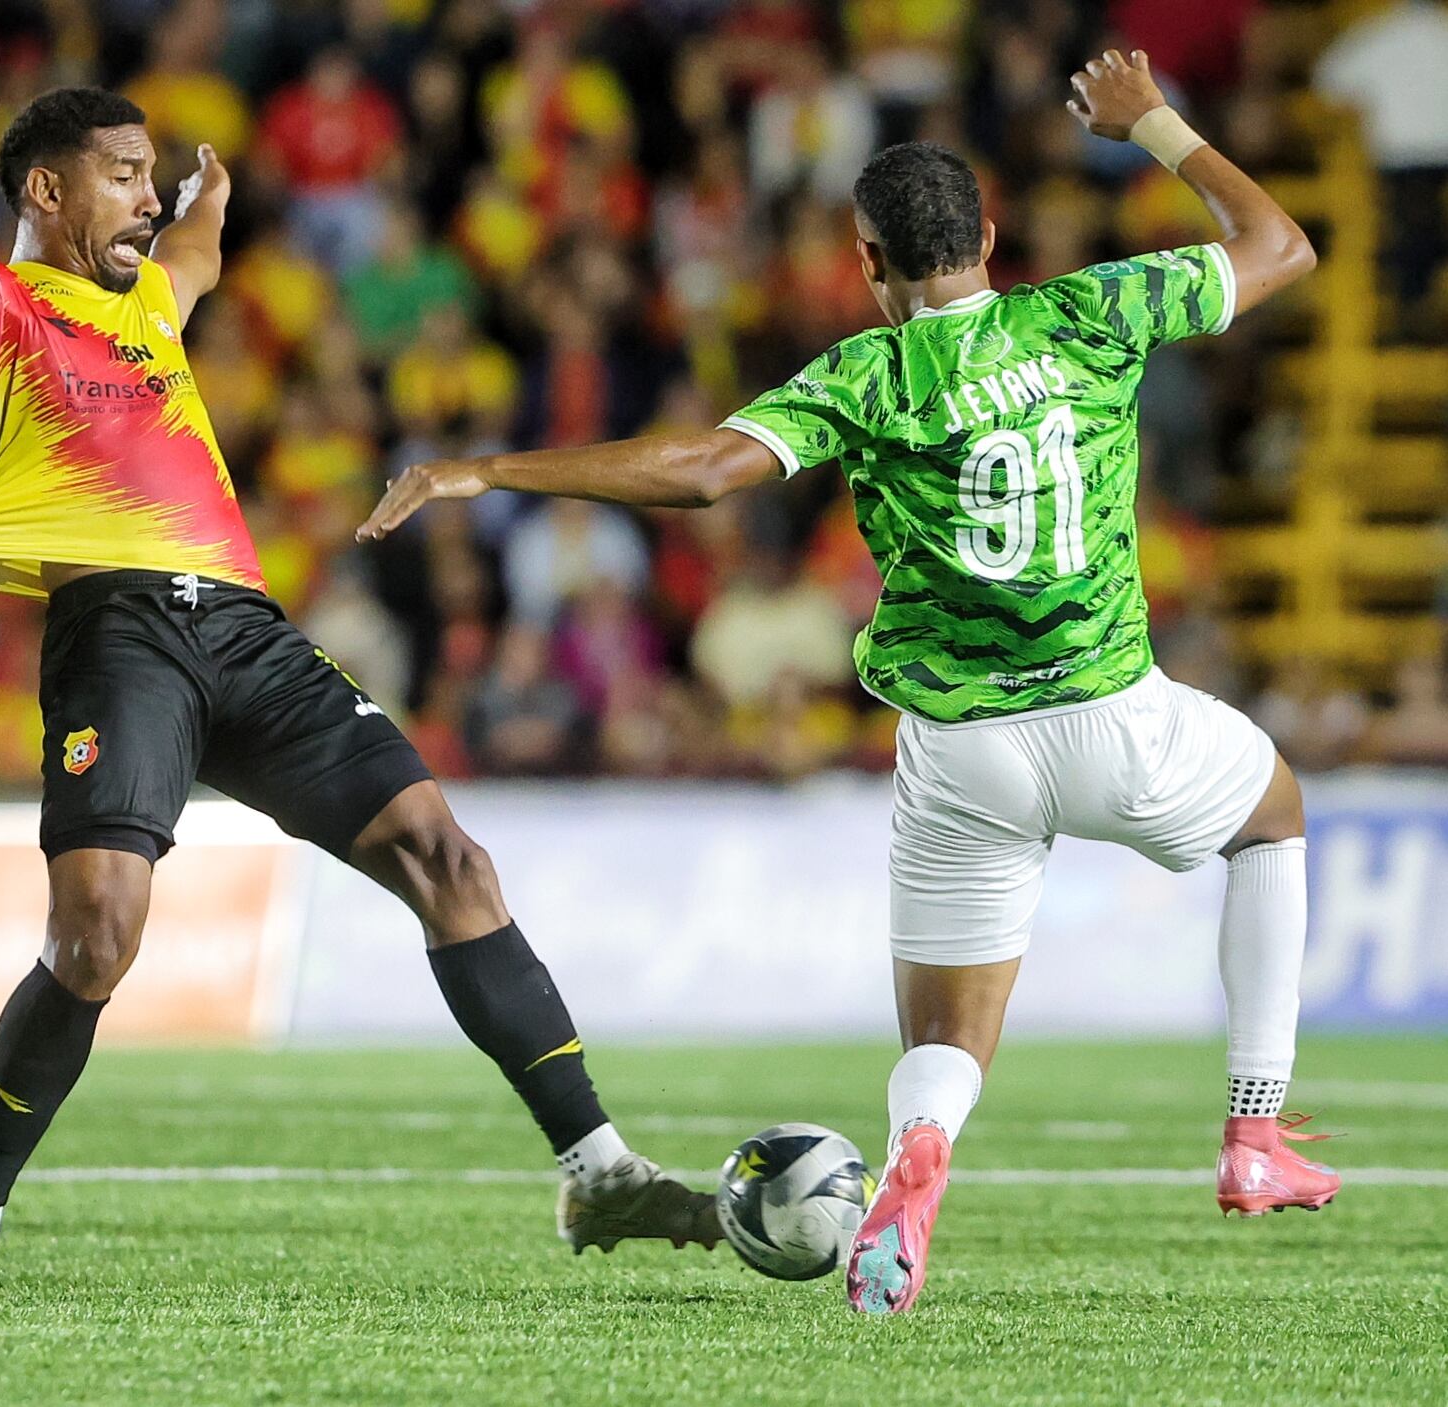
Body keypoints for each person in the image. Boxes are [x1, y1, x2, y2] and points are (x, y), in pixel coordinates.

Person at [359, 50, 1339, 1315]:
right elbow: (1281, 244)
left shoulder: (864, 376)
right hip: (1115, 715)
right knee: (1274, 820)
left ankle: (917, 1158)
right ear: (989, 234)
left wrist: (489, 471)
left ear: (867, 263)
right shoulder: (1097, 311)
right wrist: (1148, 121)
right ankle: (1254, 1132)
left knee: (943, 1039)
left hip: (962, 755)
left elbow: (706, 470)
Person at [0, 56, 712, 1293]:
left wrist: (206, 193)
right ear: (43, 190)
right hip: (120, 634)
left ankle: (598, 1168)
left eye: (150, 179)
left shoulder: (150, 297)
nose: (146, 202)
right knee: (95, 938)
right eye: (122, 176)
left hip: (247, 630)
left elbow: (199, 247)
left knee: (449, 859)